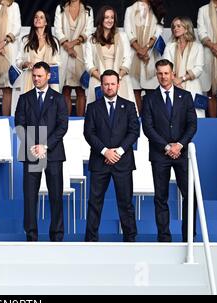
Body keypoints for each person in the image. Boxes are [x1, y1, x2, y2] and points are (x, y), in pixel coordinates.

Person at [142, 59, 198, 242]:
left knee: (190, 195)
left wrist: (179, 145)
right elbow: (148, 128)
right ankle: (164, 238)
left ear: (172, 74)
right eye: (160, 73)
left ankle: (188, 235)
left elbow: (192, 125)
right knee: (161, 197)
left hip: (181, 154)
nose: (163, 77)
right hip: (160, 154)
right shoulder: (149, 99)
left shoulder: (186, 96)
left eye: (166, 73)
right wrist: (167, 147)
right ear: (156, 75)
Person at [15, 62, 68, 242]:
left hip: (52, 154)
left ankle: (57, 236)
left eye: (39, 76)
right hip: (30, 153)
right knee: (30, 197)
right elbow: (19, 124)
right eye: (34, 76)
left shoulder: (59, 98)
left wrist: (44, 146)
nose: (36, 79)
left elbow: (62, 127)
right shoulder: (24, 98)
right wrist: (33, 145)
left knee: (56, 196)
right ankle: (31, 236)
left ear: (48, 76)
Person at [84, 69, 139, 242]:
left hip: (122, 162)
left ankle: (130, 239)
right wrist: (105, 151)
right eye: (106, 84)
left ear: (118, 85)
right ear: (101, 85)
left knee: (125, 203)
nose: (109, 87)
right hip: (100, 162)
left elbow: (134, 131)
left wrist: (118, 151)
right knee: (94, 203)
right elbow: (89, 133)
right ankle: (90, 241)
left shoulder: (129, 106)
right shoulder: (93, 107)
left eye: (112, 84)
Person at [84, 6, 135, 106]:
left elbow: (128, 59)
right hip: (98, 79)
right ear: (101, 19)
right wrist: (103, 80)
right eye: (106, 17)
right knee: (98, 113)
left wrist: (117, 78)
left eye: (112, 17)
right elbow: (88, 63)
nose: (110, 20)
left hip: (120, 79)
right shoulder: (92, 39)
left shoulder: (122, 36)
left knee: (122, 113)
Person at [15, 9, 60, 115]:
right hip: (30, 78)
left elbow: (58, 62)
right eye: (36, 17)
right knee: (29, 110)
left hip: (47, 79)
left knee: (47, 110)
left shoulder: (53, 41)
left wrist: (45, 66)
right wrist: (25, 64)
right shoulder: (25, 40)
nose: (38, 19)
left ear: (46, 22)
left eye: (41, 17)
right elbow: (18, 60)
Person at [124, 0, 165, 114]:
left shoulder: (157, 8)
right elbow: (128, 31)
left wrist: (146, 48)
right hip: (134, 56)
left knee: (152, 91)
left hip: (151, 55)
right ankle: (136, 120)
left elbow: (158, 31)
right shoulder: (130, 9)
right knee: (135, 91)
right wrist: (139, 49)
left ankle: (151, 121)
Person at [54, 0, 94, 116]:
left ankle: (80, 121)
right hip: (65, 52)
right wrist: (68, 47)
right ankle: (66, 121)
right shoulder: (60, 8)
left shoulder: (88, 10)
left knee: (81, 90)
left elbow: (89, 30)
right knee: (65, 88)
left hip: (80, 52)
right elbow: (57, 30)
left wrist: (74, 43)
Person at [163, 17, 206, 118]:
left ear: (186, 28)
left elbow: (199, 68)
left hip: (193, 85)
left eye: (178, 26)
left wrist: (181, 79)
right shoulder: (170, 46)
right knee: (174, 118)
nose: (175, 29)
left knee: (196, 117)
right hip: (173, 86)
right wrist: (174, 81)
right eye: (174, 27)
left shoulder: (197, 46)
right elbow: (165, 65)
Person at [197, 0, 217, 117]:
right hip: (209, 54)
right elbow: (201, 32)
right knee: (210, 92)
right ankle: (213, 124)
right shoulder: (203, 10)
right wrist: (213, 46)